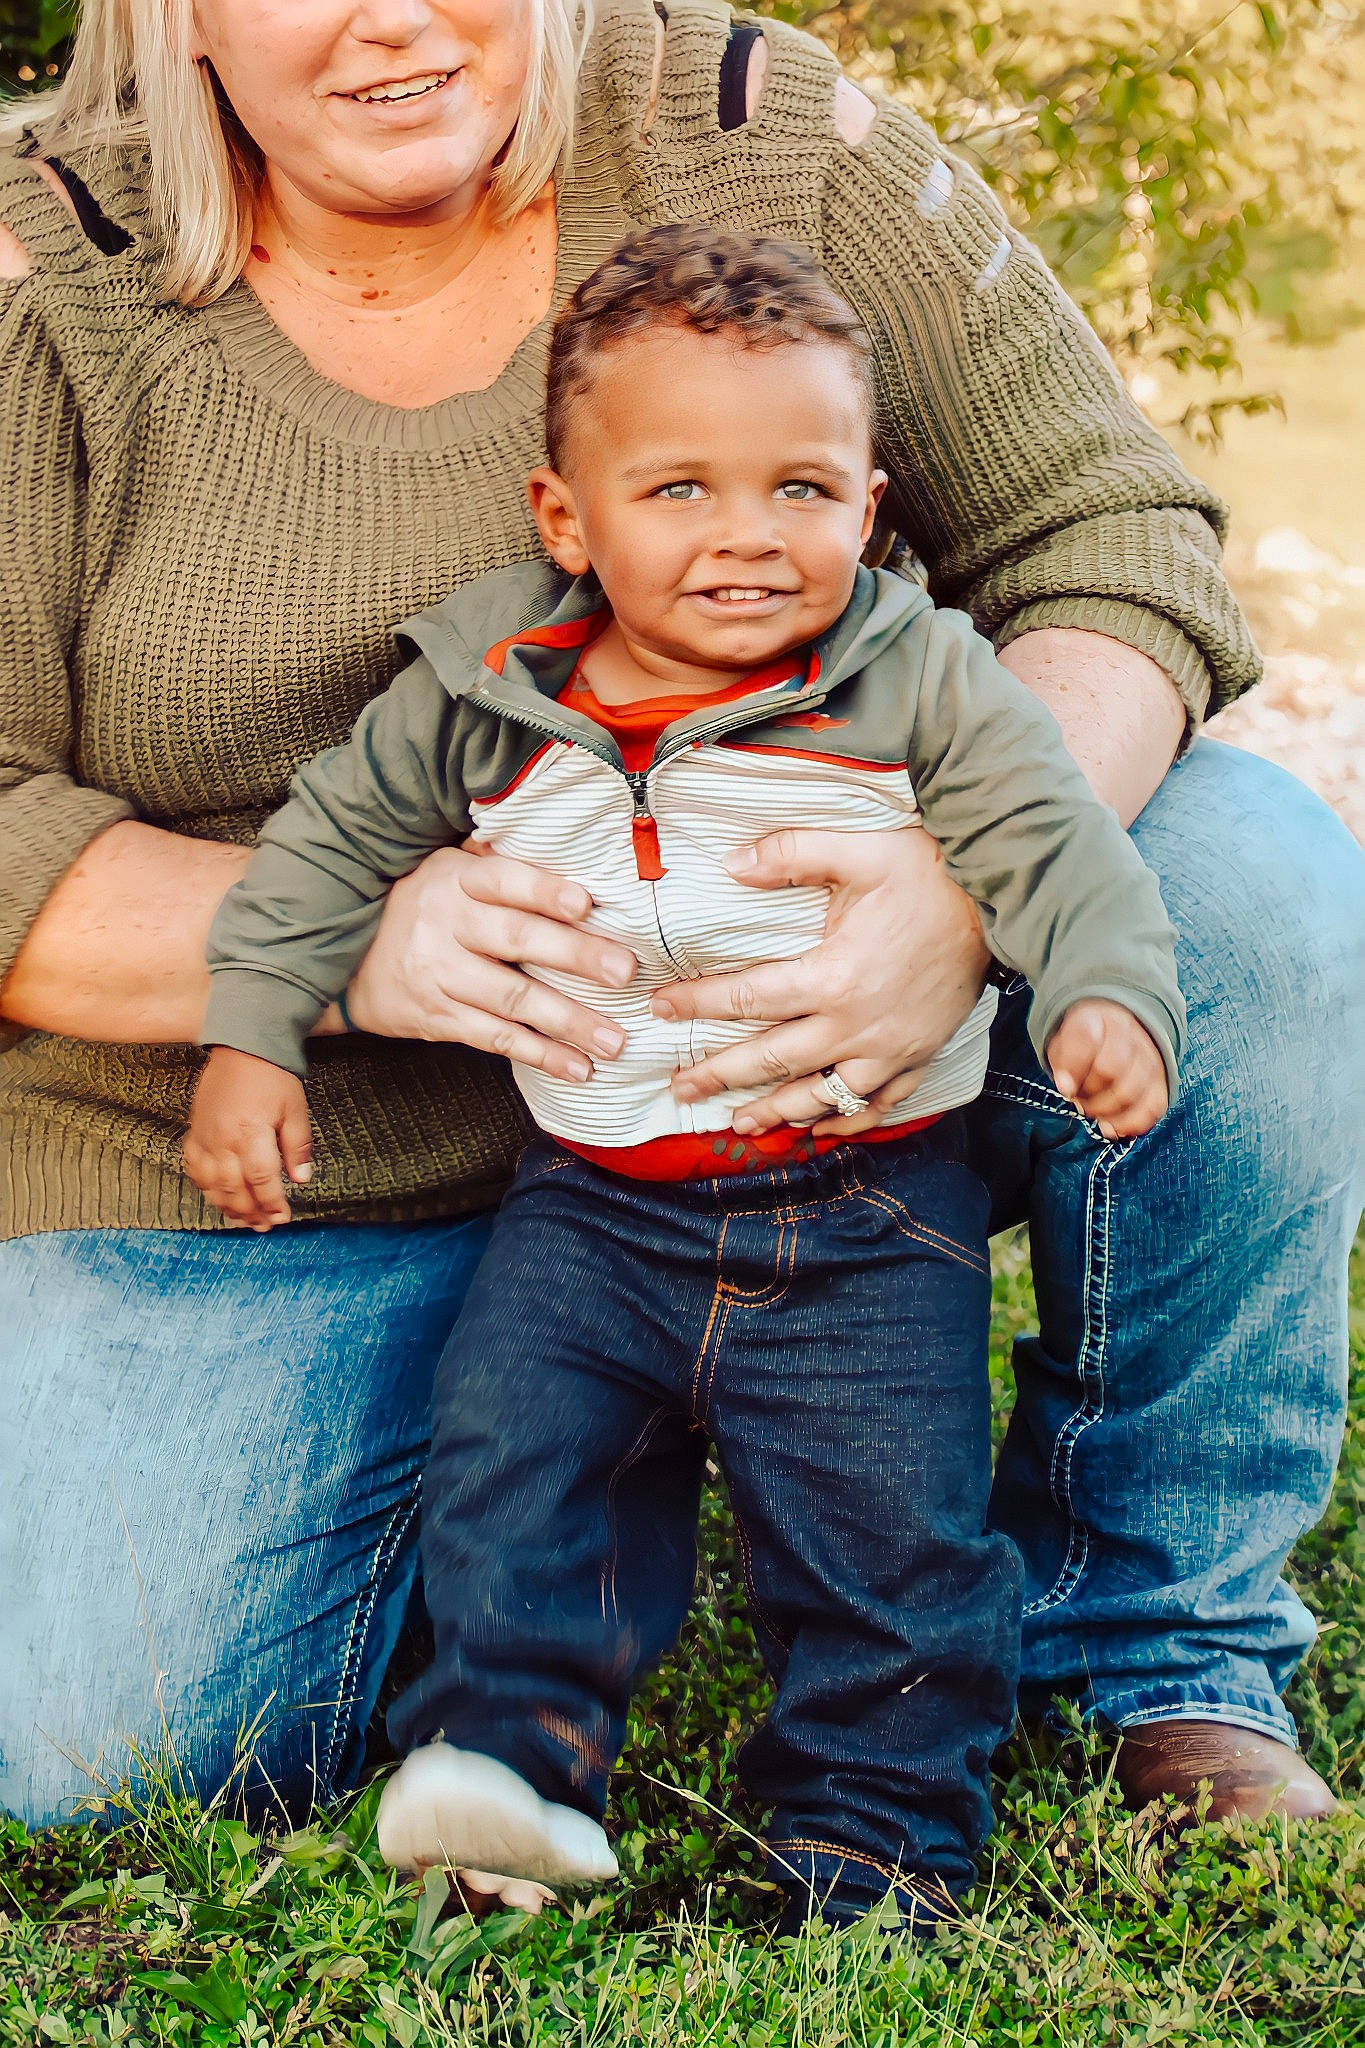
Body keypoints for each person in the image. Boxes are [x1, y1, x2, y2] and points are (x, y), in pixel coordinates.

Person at [1, 0, 1359, 1835]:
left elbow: (1108, 531)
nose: (394, 18)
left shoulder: (748, 127)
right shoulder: (39, 269)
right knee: (88, 1740)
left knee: (1255, 897)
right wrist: (340, 950)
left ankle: (1154, 1642)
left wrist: (963, 882)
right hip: (269, 1167)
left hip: (815, 1108)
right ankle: (502, 1542)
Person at [185, 226, 1184, 1929]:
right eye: (677, 492)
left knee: (888, 1551)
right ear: (565, 520)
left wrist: (1103, 991)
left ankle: (871, 1837)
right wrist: (248, 1031)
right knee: (518, 1468)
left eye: (800, 488)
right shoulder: (485, 690)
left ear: (868, 505)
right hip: (588, 1204)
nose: (745, 537)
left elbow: (1054, 840)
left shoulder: (916, 675)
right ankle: (511, 1773)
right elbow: (321, 853)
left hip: (862, 1207)